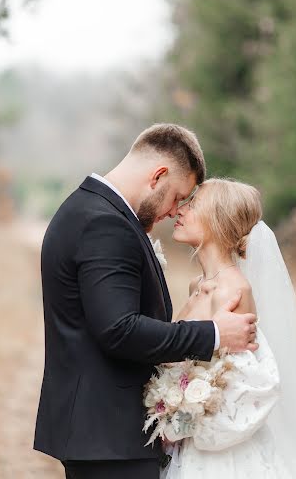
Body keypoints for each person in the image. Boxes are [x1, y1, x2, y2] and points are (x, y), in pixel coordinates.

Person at [33, 124, 258, 479]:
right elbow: (120, 330)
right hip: (109, 437)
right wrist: (214, 334)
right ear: (157, 176)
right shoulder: (106, 225)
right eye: (176, 197)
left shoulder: (88, 209)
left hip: (101, 434)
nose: (173, 212)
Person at [161, 177, 296, 478]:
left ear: (217, 221)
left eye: (194, 205)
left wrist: (177, 427)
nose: (180, 211)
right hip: (186, 445)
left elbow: (230, 389)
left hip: (221, 457)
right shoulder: (197, 285)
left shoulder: (234, 290)